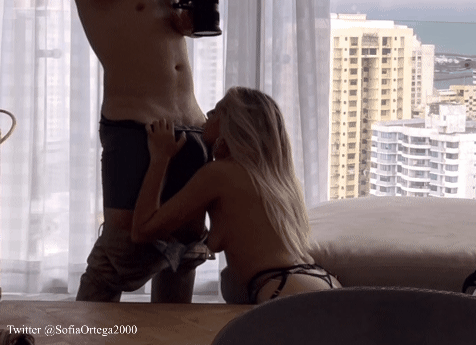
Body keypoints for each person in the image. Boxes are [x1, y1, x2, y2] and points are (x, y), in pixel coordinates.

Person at [72, 0, 243, 302]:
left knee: (182, 253)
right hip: (137, 127)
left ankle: (169, 333)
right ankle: (83, 334)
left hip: (192, 128)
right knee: (117, 258)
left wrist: (184, 22)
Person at [131, 87, 341, 304]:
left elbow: (142, 230)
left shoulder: (219, 174)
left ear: (233, 123)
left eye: (216, 110)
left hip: (283, 289)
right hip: (322, 281)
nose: (207, 115)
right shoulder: (279, 180)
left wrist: (160, 157)